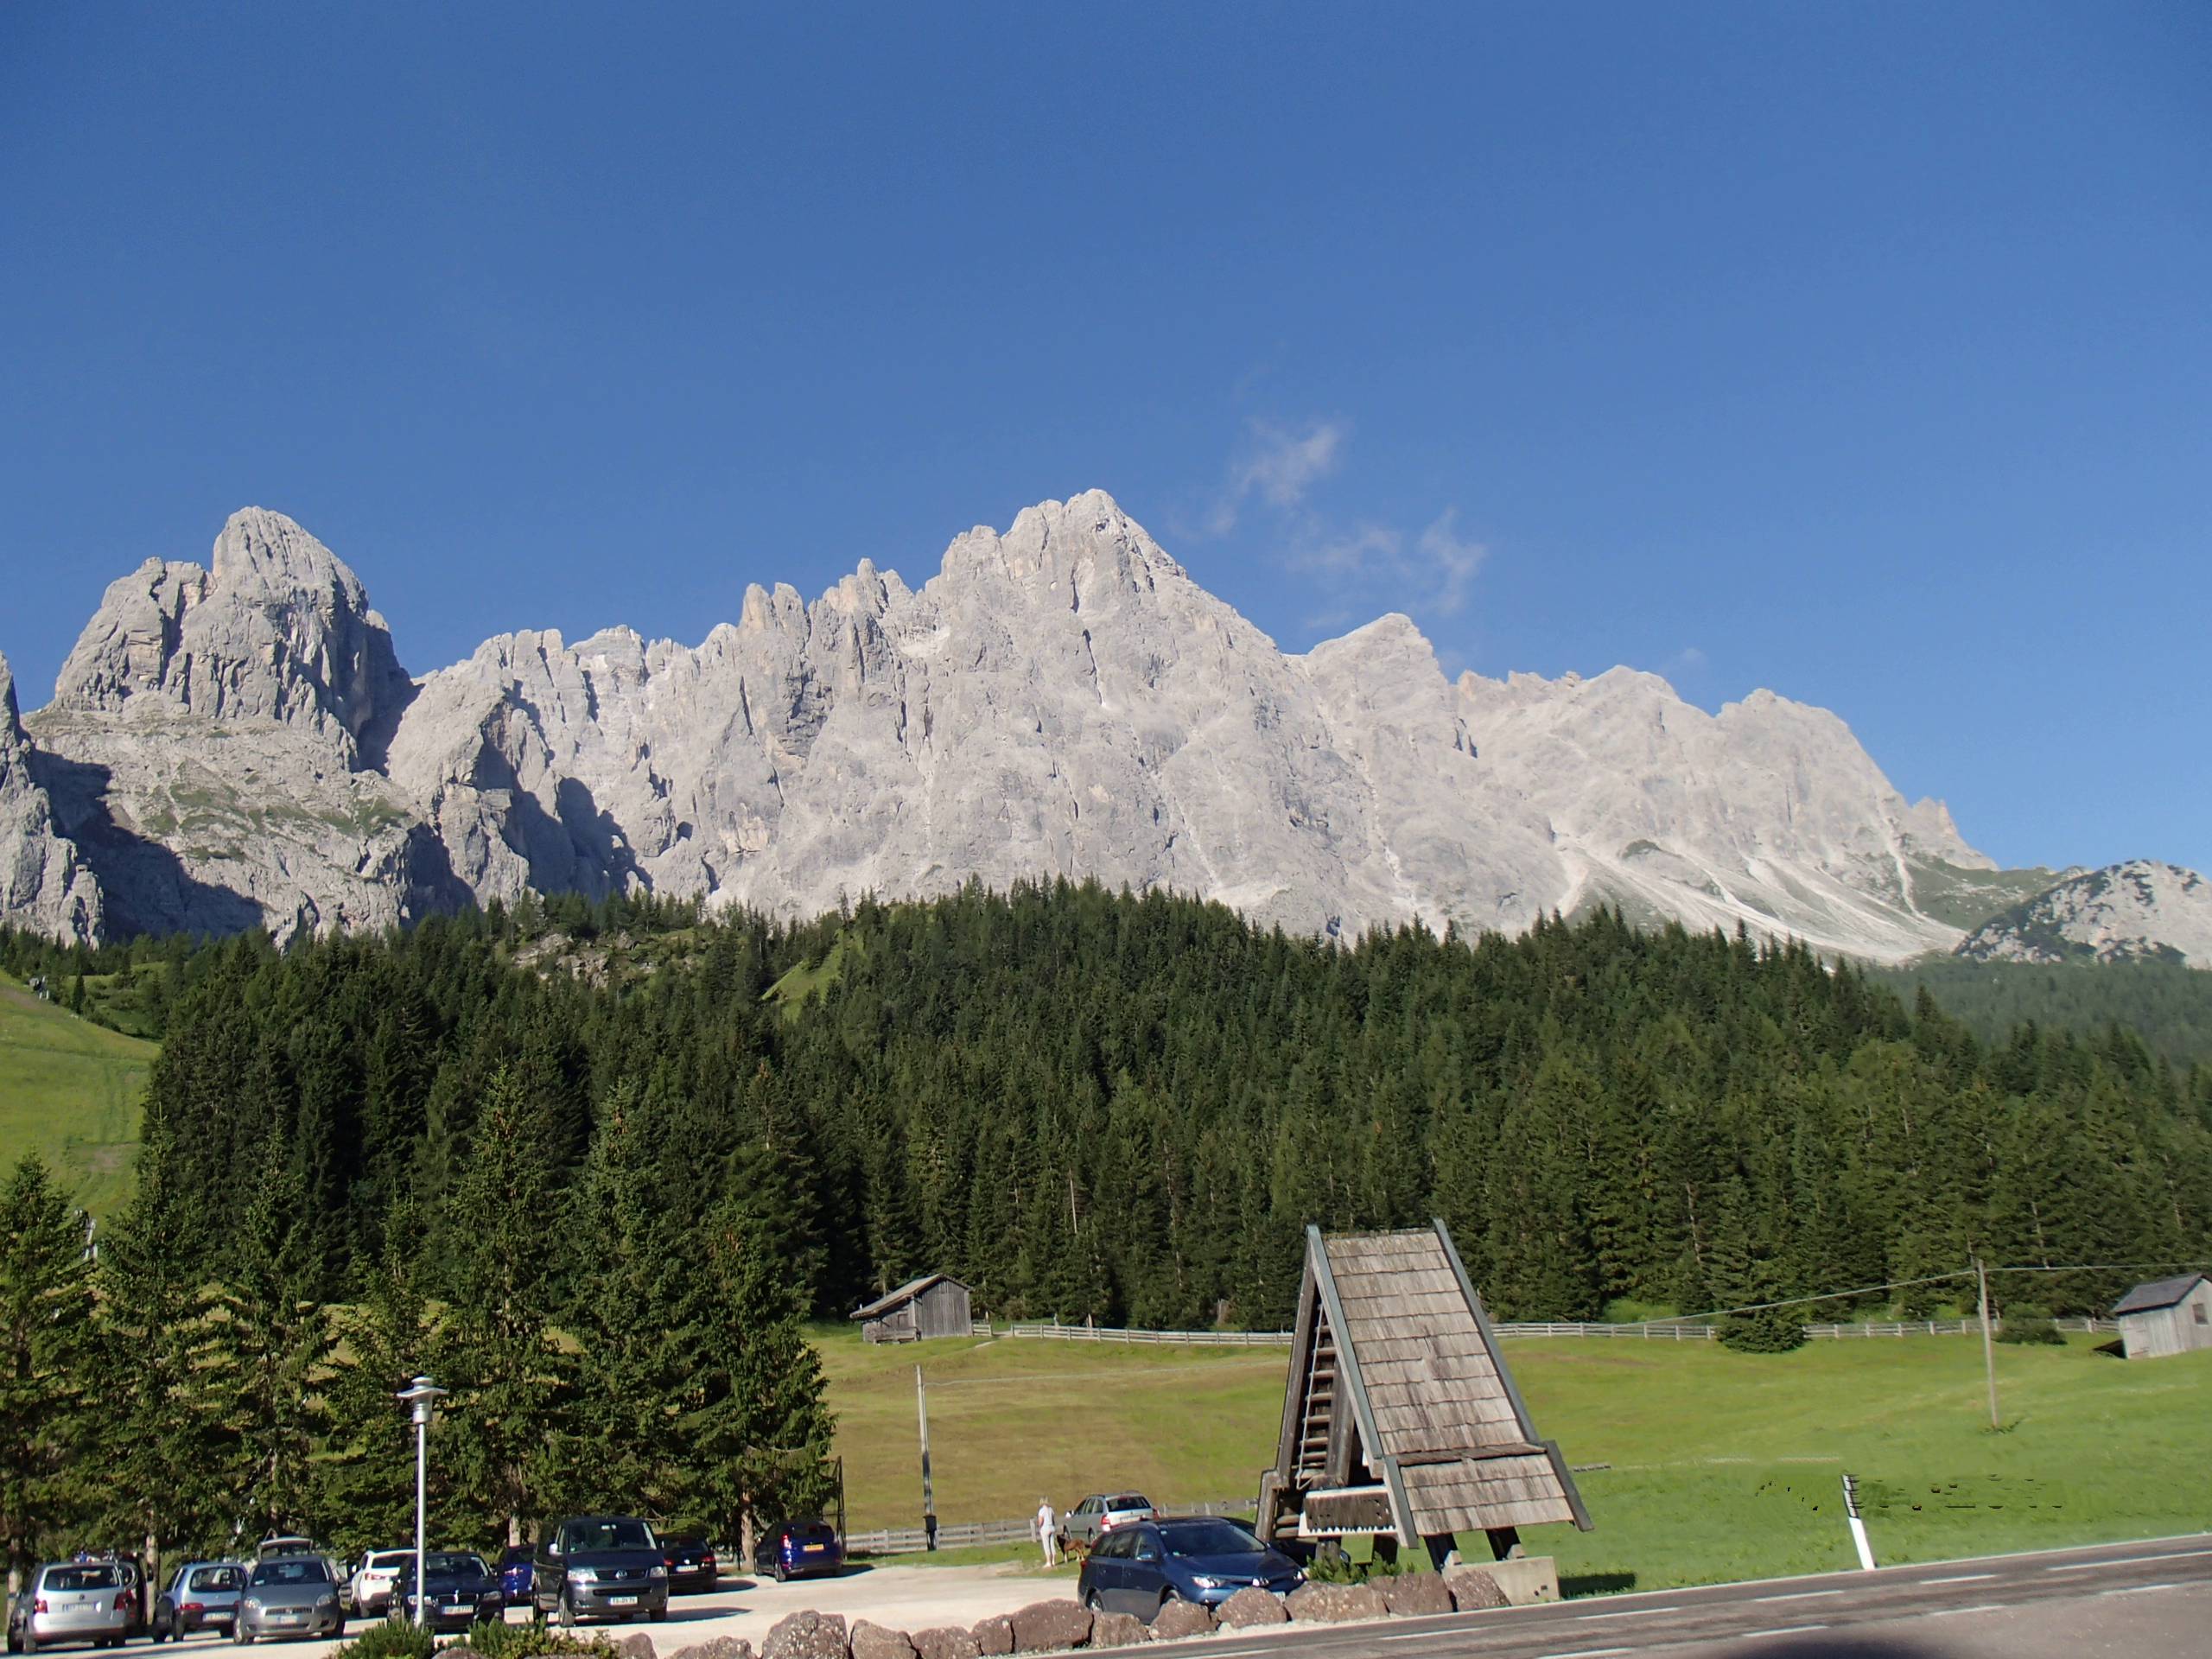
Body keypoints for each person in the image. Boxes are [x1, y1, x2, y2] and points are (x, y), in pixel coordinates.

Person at [1036, 1497, 1058, 1567]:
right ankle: (1053, 1561)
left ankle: (1048, 1562)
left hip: (1045, 1528)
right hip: (1052, 1527)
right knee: (1052, 1544)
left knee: (1046, 1545)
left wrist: (1039, 1527)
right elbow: (1053, 1519)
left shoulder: (1042, 1510)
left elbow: (1041, 1520)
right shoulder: (1051, 1509)